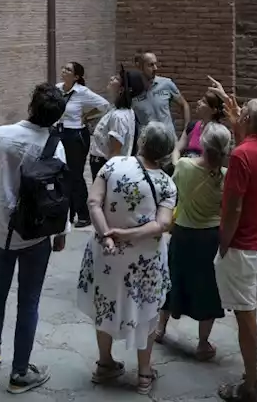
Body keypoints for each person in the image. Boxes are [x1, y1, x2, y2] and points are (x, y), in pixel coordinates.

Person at [0, 83, 71, 394]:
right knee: (28, 302)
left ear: (32, 105)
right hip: (36, 235)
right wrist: (61, 232)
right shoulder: (53, 146)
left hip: (2, 231)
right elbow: (59, 194)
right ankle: (19, 373)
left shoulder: (1, 135)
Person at [76, 121, 178, 396]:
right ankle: (144, 375)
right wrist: (127, 234)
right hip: (144, 260)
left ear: (142, 142)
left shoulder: (113, 165)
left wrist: (108, 236)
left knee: (104, 306)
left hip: (105, 254)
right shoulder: (167, 184)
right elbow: (161, 225)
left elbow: (93, 203)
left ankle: (105, 363)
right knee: (147, 312)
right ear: (167, 152)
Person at [213, 97, 257, 402]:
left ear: (246, 120)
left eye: (242, 113)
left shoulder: (240, 156)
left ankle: (251, 387)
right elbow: (255, 149)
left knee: (246, 315)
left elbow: (232, 209)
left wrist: (224, 243)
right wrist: (237, 120)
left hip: (244, 246)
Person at [155, 121, 232, 360]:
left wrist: (180, 145)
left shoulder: (185, 167)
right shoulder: (226, 177)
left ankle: (160, 328)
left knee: (172, 278)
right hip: (210, 237)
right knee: (207, 287)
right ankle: (202, 343)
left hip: (182, 232)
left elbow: (174, 190)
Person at [56, 61, 111, 228]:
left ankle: (83, 214)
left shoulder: (82, 91)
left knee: (75, 174)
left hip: (76, 135)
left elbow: (104, 105)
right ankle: (68, 213)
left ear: (76, 76)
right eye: (64, 68)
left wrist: (87, 116)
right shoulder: (58, 88)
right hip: (60, 132)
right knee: (61, 173)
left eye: (68, 70)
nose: (64, 71)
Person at [87, 68, 144, 180]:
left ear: (122, 89)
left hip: (105, 166)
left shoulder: (119, 116)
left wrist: (106, 178)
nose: (111, 78)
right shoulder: (115, 109)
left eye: (116, 78)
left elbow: (115, 152)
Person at [133, 51, 190, 133]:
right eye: (150, 65)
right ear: (140, 67)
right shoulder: (133, 91)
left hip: (169, 141)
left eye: (155, 64)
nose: (155, 68)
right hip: (146, 143)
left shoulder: (166, 83)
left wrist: (186, 131)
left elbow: (184, 105)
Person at [177, 89, 228, 157]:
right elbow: (178, 148)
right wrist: (175, 162)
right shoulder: (192, 126)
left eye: (203, 102)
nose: (198, 102)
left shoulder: (219, 133)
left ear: (213, 110)